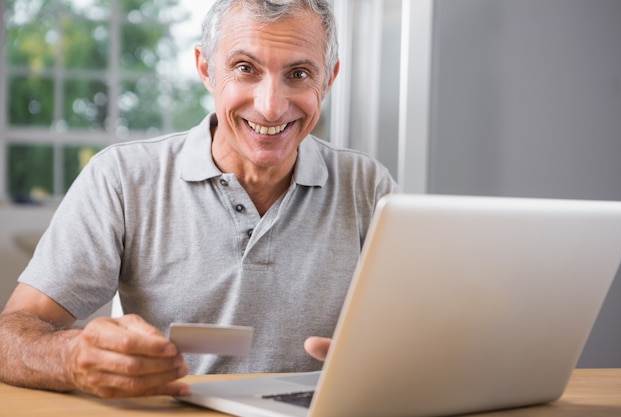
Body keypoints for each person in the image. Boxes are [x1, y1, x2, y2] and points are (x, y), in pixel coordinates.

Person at [0, 0, 397, 399]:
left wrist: (391, 359)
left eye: (299, 74)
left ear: (328, 79)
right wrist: (70, 357)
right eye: (245, 68)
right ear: (206, 68)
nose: (270, 106)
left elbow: (431, 332)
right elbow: (10, 336)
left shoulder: (368, 187)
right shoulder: (122, 177)